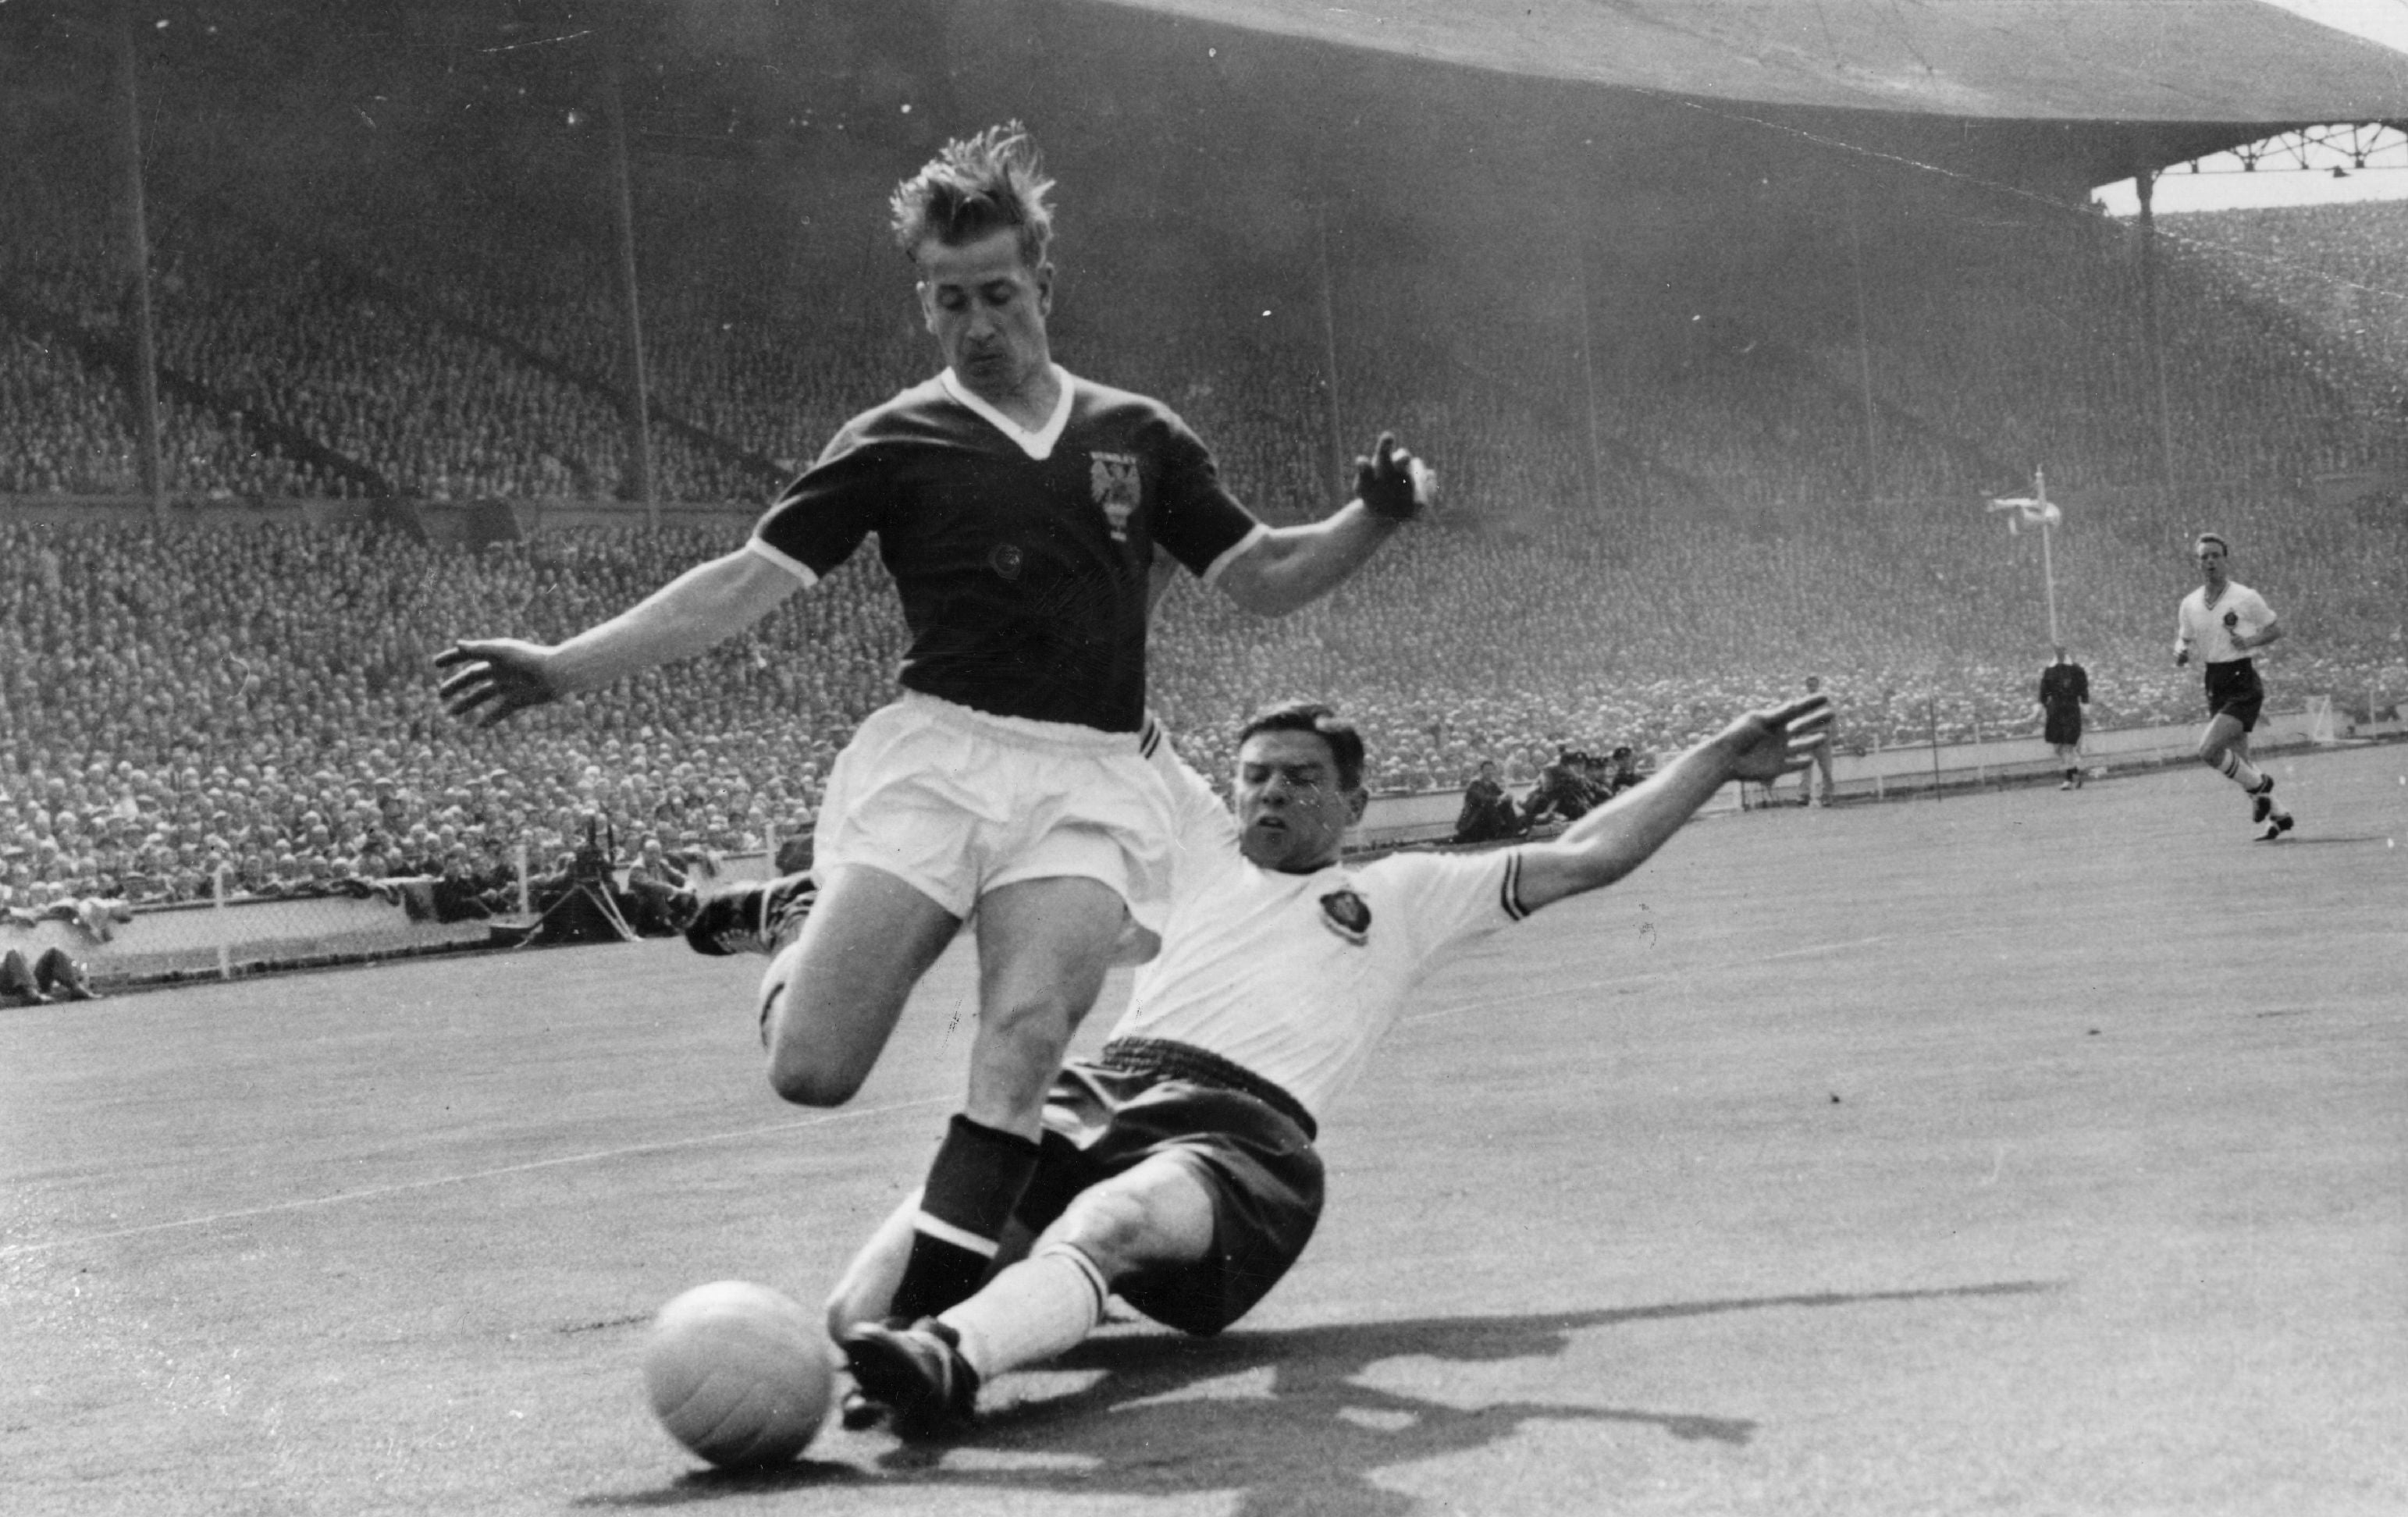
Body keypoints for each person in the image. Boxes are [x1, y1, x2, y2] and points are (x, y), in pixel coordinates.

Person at [433, 123, 1427, 1326]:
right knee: (814, 1071)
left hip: (1090, 778)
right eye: (949, 302)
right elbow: (743, 580)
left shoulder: (1137, 435)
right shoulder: (894, 438)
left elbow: (1263, 574)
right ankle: (799, 921)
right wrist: (560, 664)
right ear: (925, 306)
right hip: (942, 761)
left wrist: (1369, 515)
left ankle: (934, 1336)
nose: (976, 324)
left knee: (1021, 1042)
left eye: (998, 295)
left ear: (1043, 287)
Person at [823, 691, 1834, 1436]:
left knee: (1113, 1221)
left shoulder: (1404, 895)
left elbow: (1591, 856)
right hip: (1097, 1094)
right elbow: (1102, 688)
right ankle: (969, 1325)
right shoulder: (1198, 837)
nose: (1270, 793)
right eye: (1257, 773)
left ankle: (953, 1360)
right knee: (855, 1313)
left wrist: (1711, 759)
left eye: (1301, 779)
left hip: (1240, 1137)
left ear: (1355, 801)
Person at [2175, 533, 2294, 840]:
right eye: (2204, 557)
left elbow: (2276, 629)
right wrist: (2180, 650)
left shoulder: (2245, 596)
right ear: (2197, 562)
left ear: (2226, 560)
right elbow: (2183, 637)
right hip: (2214, 680)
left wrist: (2250, 641)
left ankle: (2261, 788)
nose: (2210, 561)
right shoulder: (2189, 603)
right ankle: (2278, 816)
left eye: (2215, 555)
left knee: (2209, 750)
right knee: (2241, 759)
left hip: (2242, 679)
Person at [2036, 646, 2090, 790]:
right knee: (2058, 746)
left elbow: (2083, 688)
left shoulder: (2076, 670)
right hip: (2055, 710)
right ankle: (2075, 774)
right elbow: (2044, 691)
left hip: (2070, 708)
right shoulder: (2050, 671)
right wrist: (2043, 705)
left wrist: (2085, 704)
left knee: (2068, 744)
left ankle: (2069, 778)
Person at [1787, 674, 1837, 807]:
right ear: (1806, 686)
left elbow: (1830, 717)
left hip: (1822, 736)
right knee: (1805, 767)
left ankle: (1827, 795)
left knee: (1826, 768)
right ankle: (1804, 795)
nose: (1812, 687)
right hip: (1807, 737)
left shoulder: (1824, 701)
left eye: (1814, 685)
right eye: (1809, 685)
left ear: (1818, 685)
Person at [1450, 760, 1523, 844]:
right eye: (1487, 770)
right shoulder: (1475, 784)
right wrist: (1500, 798)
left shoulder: (1493, 785)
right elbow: (1482, 798)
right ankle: (1497, 833)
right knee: (1488, 806)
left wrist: (1508, 798)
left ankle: (1514, 831)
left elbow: (1501, 796)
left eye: (1492, 770)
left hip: (1487, 818)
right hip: (1473, 820)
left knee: (1506, 804)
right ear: (1481, 772)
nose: (1490, 772)